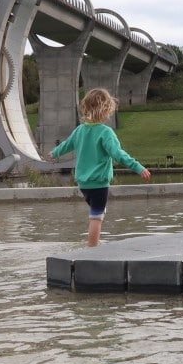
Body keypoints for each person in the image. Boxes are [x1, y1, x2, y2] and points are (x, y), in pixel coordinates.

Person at [50, 88, 151, 246]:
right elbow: (118, 154)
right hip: (99, 182)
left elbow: (66, 145)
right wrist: (138, 167)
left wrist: (54, 153)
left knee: (96, 212)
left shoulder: (79, 130)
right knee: (97, 216)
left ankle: (94, 240)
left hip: (83, 183)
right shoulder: (105, 132)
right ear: (106, 110)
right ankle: (92, 246)